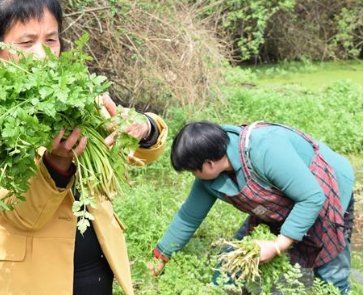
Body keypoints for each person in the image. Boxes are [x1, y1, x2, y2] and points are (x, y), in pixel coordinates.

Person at [0, 0, 168, 294]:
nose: (42, 55)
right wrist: (56, 164)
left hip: (96, 271)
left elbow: (128, 152)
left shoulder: (71, 88)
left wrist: (143, 128)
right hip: (25, 281)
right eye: (27, 43)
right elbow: (19, 214)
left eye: (51, 40)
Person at [149, 121, 355, 294]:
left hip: (328, 192)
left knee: (330, 276)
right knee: (232, 262)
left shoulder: (264, 149)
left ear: (209, 163)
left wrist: (277, 246)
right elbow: (189, 216)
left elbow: (312, 197)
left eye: (192, 170)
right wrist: (161, 255)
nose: (193, 176)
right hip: (280, 205)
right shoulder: (210, 176)